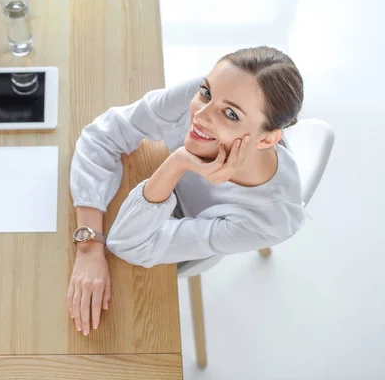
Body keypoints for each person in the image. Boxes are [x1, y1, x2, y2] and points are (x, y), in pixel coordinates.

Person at [66, 46, 310, 336]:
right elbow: (102, 134)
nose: (201, 116)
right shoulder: (210, 97)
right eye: (205, 92)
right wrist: (89, 246)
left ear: (267, 140)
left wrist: (176, 164)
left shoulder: (268, 220)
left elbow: (127, 245)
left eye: (230, 114)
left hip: (187, 230)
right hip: (154, 197)